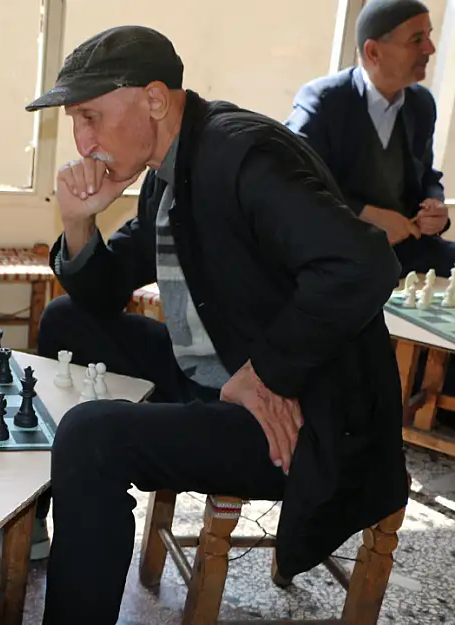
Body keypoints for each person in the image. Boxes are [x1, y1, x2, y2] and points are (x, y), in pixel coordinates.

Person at [27, 26, 409, 624]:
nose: (83, 140)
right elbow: (102, 294)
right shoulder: (168, 169)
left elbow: (362, 263)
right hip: (224, 377)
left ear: (154, 99)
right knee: (67, 321)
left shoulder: (243, 156)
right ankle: (49, 524)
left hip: (305, 421)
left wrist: (267, 373)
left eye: (91, 117)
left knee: (91, 437)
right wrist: (78, 223)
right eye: (77, 121)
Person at [285, 0, 452, 276]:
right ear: (373, 51)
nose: (430, 49)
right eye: (417, 39)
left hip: (404, 248)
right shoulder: (324, 100)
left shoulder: (421, 104)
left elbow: (426, 177)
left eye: (430, 36)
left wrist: (435, 206)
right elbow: (291, 179)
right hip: (336, 247)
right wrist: (364, 213)